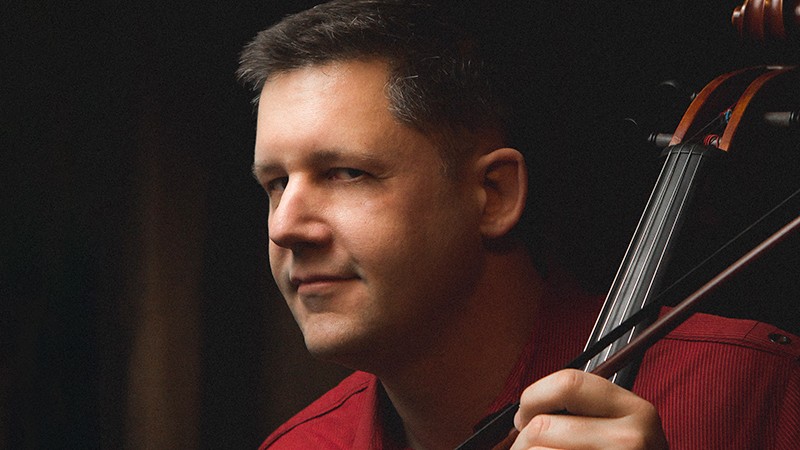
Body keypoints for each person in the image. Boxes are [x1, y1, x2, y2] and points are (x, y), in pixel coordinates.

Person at [238, 1, 800, 448]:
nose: (285, 226)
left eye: (346, 173)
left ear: (494, 194)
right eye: (275, 184)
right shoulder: (304, 443)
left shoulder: (757, 389)